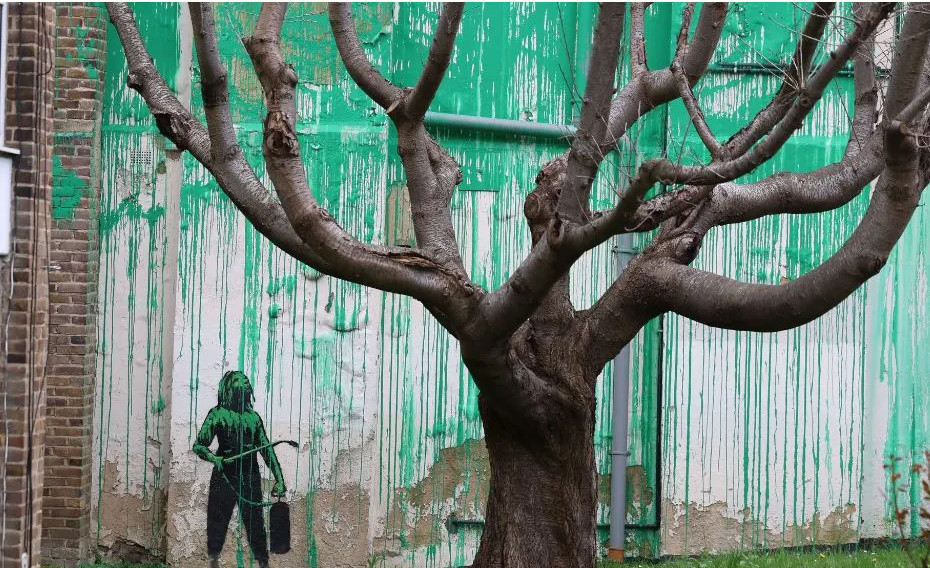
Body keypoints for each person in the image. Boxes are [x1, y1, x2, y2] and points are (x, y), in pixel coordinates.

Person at [193, 371, 286, 568]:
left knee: (256, 525)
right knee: (217, 524)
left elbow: (267, 450)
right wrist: (213, 458)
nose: (243, 385)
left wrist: (279, 478)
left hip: (250, 478)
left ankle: (263, 563)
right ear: (229, 389)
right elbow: (199, 446)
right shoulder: (217, 414)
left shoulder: (253, 418)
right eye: (238, 383)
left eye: (245, 384)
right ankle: (213, 562)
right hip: (224, 477)